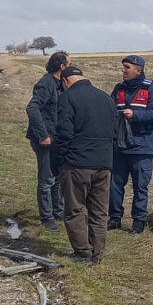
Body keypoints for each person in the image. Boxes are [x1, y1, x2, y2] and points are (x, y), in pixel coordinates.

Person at [54, 66, 118, 263]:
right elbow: (115, 132)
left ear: (65, 81)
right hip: (104, 163)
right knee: (99, 212)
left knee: (74, 210)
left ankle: (83, 252)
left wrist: (59, 160)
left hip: (77, 163)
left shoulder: (68, 98)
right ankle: (97, 254)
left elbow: (64, 133)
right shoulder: (106, 98)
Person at [108, 54, 153, 234]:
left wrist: (135, 115)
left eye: (127, 67)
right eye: (123, 67)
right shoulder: (119, 89)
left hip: (141, 148)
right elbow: (108, 110)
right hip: (120, 147)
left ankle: (139, 221)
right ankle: (114, 218)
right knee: (114, 185)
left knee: (140, 186)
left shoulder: (151, 89)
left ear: (138, 70)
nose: (123, 70)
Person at [25, 50, 70, 231]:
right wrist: (43, 135)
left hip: (57, 139)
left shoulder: (61, 85)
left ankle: (58, 211)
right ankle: (47, 217)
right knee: (46, 180)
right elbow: (32, 108)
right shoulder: (46, 83)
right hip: (45, 140)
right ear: (62, 66)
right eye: (69, 64)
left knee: (57, 177)